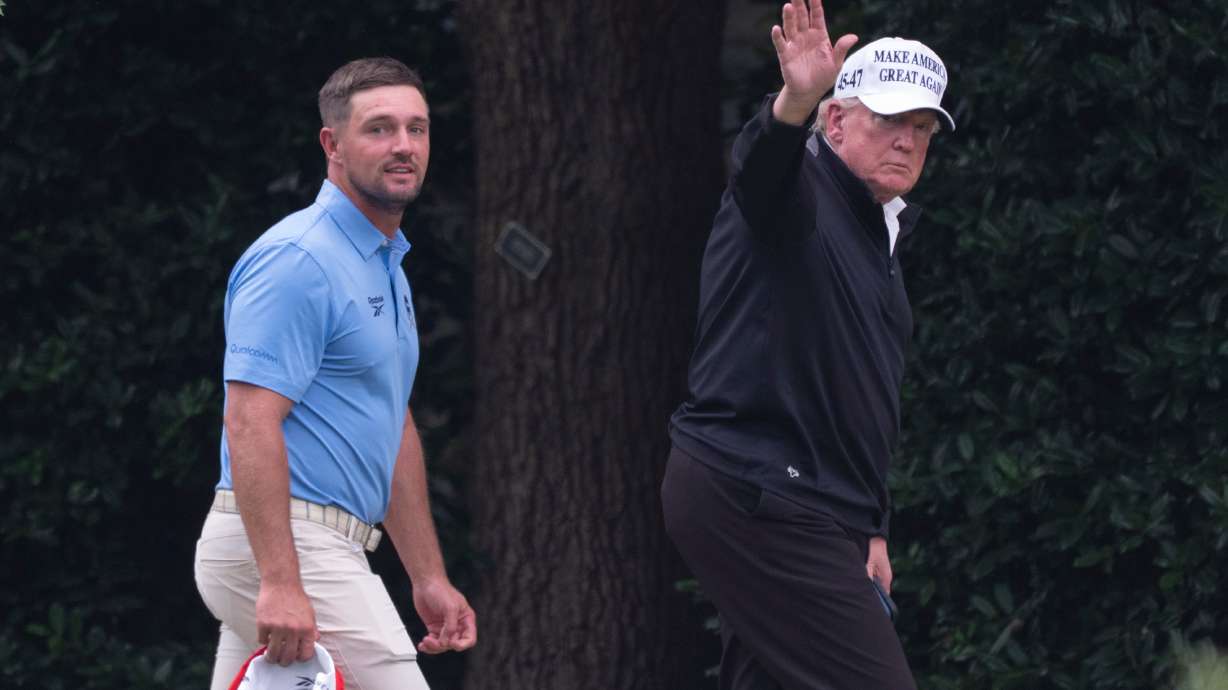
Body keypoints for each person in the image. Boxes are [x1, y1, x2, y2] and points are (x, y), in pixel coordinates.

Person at [661, 0, 956, 687]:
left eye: (922, 127)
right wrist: (793, 101)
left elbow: (855, 393)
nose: (907, 141)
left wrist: (869, 525)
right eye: (889, 120)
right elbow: (762, 167)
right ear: (836, 120)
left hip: (810, 502)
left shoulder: (876, 230)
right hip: (756, 491)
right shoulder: (798, 191)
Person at [194, 57, 476, 690]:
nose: (404, 145)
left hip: (315, 545)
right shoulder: (299, 259)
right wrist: (279, 580)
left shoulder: (384, 264)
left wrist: (427, 575)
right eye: (379, 128)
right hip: (285, 545)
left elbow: (390, 420)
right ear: (333, 145)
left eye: (417, 128)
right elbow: (249, 419)